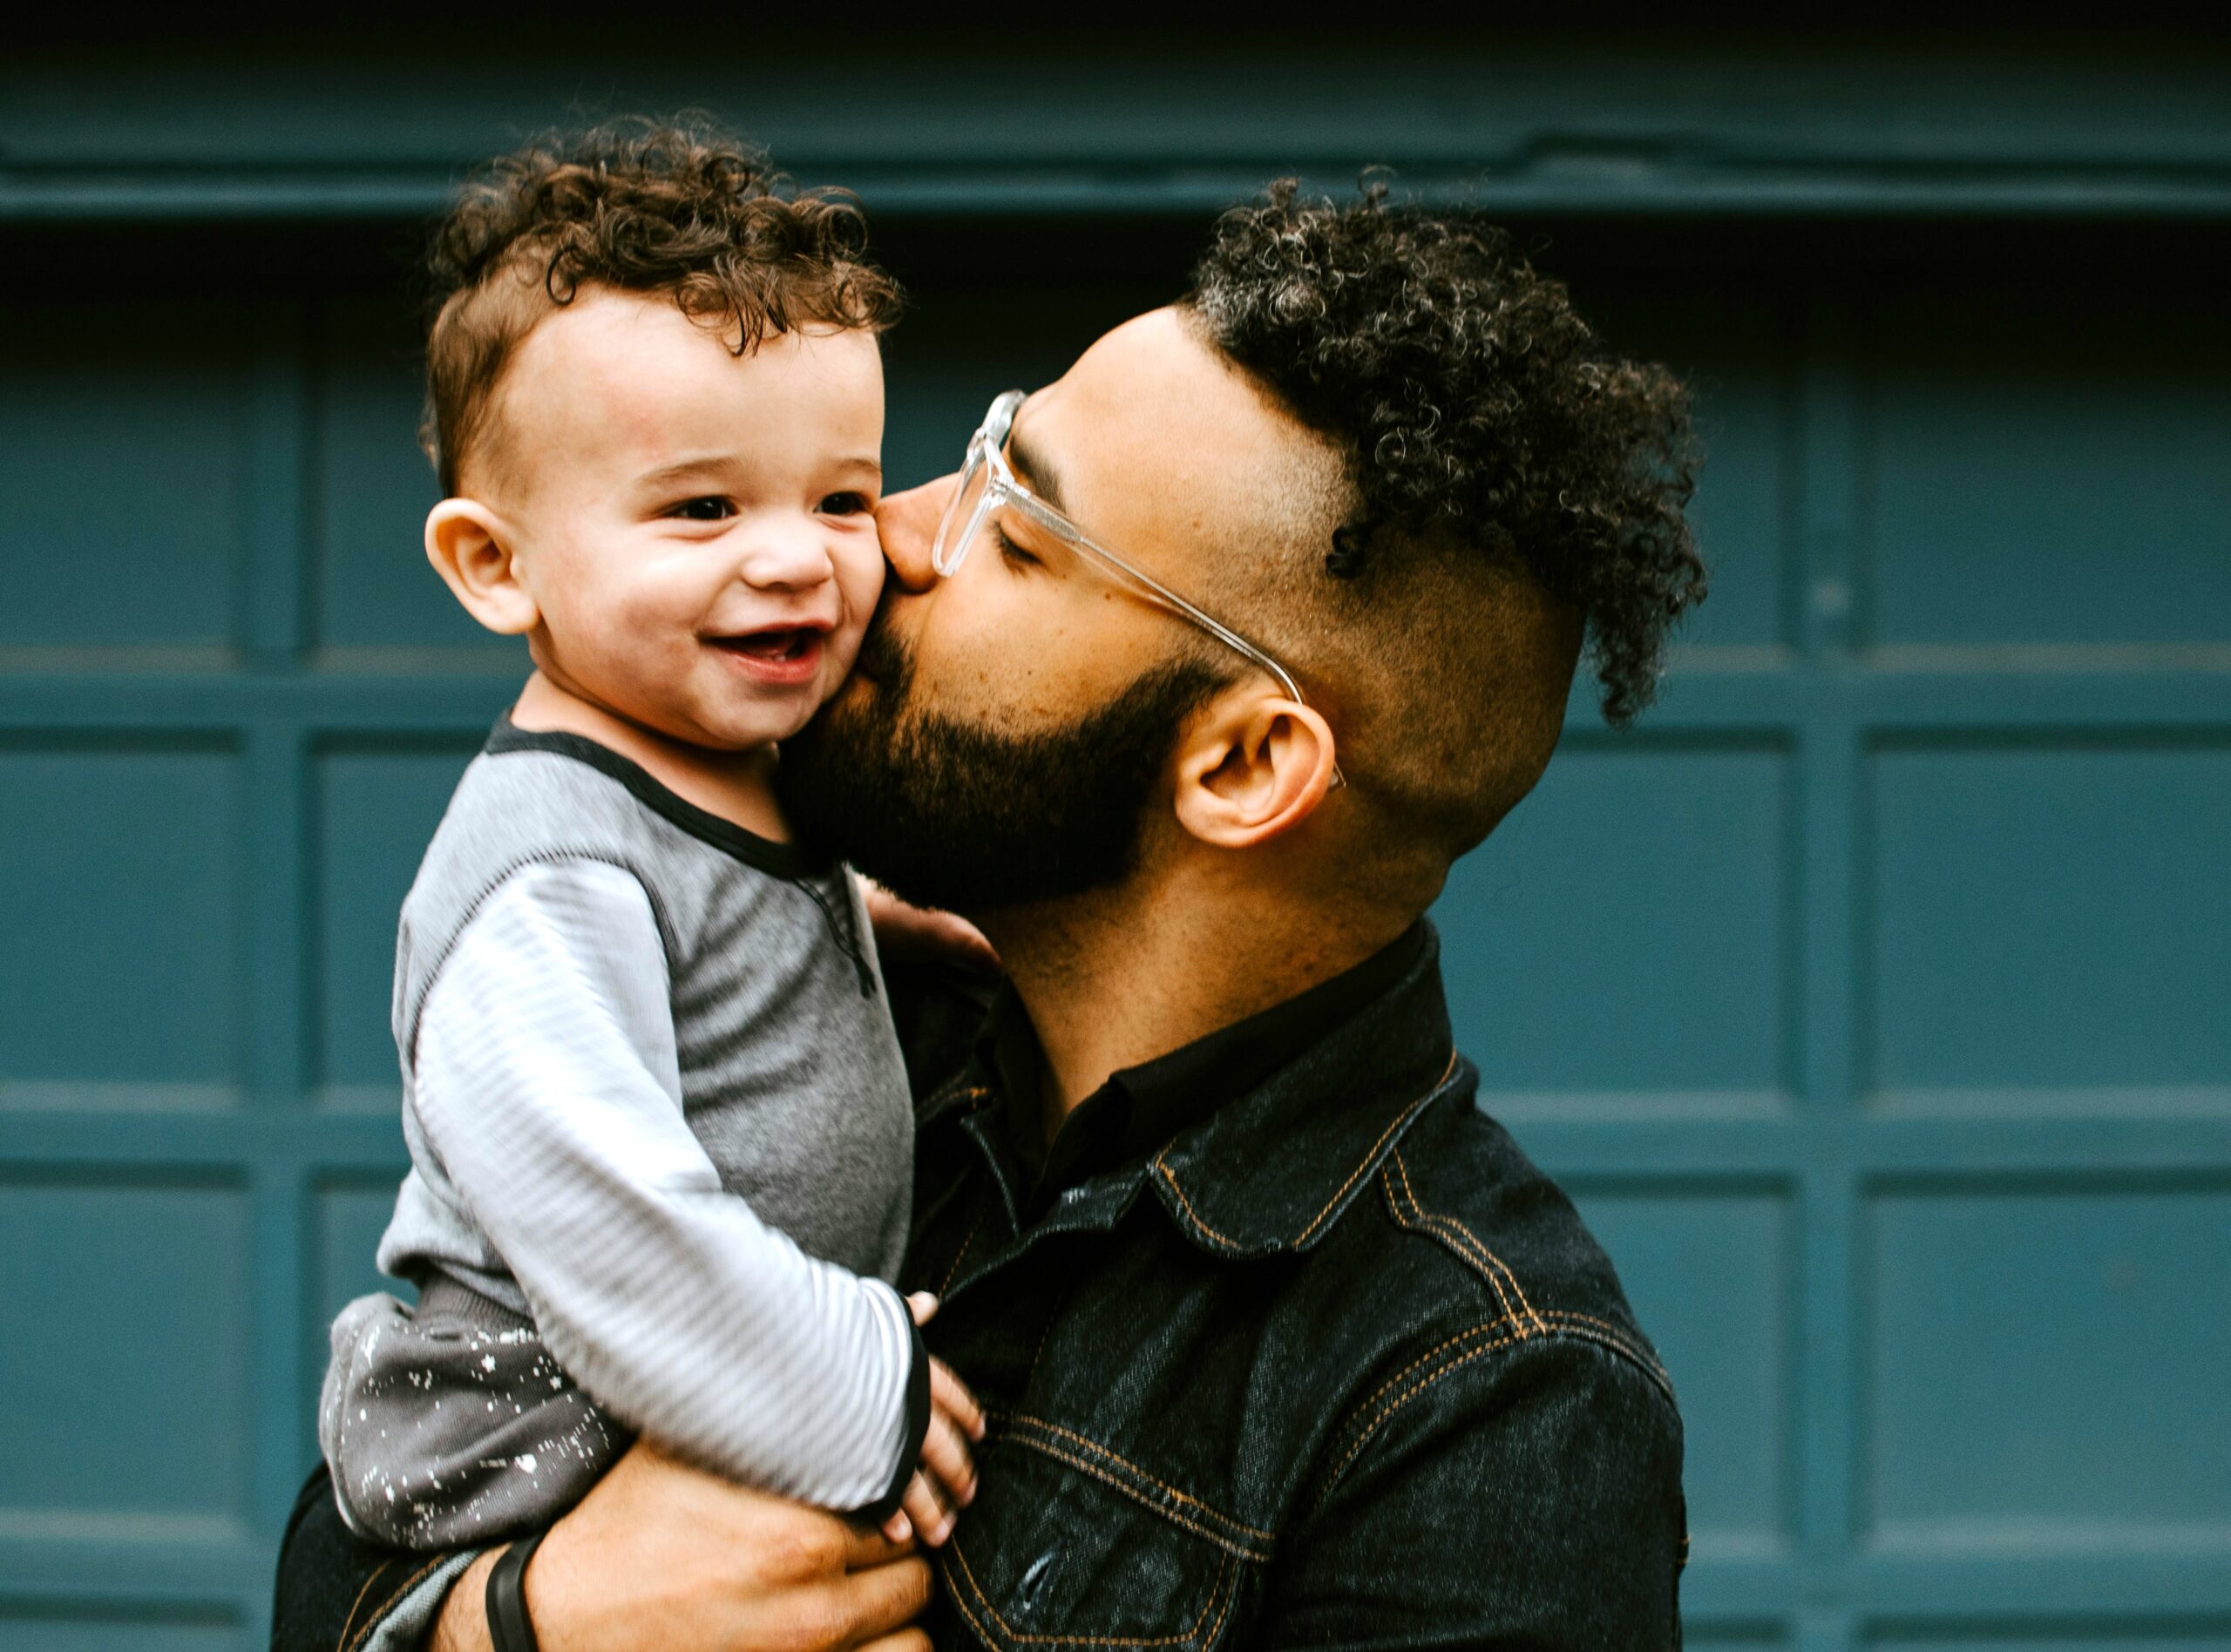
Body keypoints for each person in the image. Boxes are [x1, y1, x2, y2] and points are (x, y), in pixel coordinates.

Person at [275, 169, 1708, 1651]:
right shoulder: (816, 1016)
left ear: (1243, 762)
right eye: (971, 464)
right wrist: (521, 1624)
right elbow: (358, 1520)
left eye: (1016, 535)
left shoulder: (1484, 1401)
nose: (881, 539)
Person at [313, 118, 982, 1565]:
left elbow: (723, 929)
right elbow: (606, 1216)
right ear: (497, 565)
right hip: (535, 1430)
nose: (796, 554)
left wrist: (868, 921)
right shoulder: (549, 876)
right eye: (702, 508)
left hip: (691, 1397)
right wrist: (855, 1390)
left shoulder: (729, 765)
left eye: (842, 498)